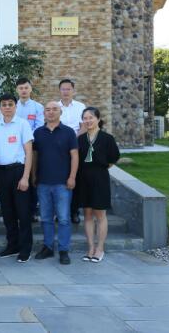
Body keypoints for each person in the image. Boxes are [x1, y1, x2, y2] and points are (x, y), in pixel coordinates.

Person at [32, 102, 79, 265]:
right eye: (48, 110)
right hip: (43, 182)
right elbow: (35, 156)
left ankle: (64, 250)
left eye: (54, 109)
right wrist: (33, 175)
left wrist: (72, 177)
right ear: (44, 113)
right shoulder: (38, 132)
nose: (51, 112)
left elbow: (74, 156)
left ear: (60, 112)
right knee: (46, 218)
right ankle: (48, 247)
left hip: (63, 183)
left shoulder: (69, 132)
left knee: (64, 218)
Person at [0, 93, 34, 263]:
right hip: (1, 173)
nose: (7, 107)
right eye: (4, 104)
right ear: (0, 107)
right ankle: (12, 245)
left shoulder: (23, 124)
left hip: (18, 172)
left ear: (15, 106)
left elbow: (29, 152)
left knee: (23, 213)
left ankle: (25, 249)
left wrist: (25, 177)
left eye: (10, 104)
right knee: (7, 212)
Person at [76, 107, 120, 263]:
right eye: (85, 118)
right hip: (83, 178)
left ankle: (100, 248)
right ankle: (90, 248)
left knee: (100, 215)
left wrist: (100, 169)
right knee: (87, 214)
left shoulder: (107, 138)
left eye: (91, 117)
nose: (88, 121)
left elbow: (113, 158)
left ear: (98, 119)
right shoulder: (80, 139)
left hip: (100, 178)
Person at [15, 78, 45, 222]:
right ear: (17, 90)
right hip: (15, 149)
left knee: (32, 179)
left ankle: (32, 211)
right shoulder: (12, 106)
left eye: (26, 88)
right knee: (17, 178)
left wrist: (26, 140)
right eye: (21, 88)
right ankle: (18, 212)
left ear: (31, 89)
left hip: (32, 148)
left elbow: (39, 127)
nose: (24, 90)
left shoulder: (38, 107)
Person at [58, 79, 86, 224]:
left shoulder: (80, 107)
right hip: (59, 147)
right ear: (59, 91)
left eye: (68, 89)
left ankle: (74, 211)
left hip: (76, 145)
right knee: (60, 179)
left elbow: (84, 126)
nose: (66, 92)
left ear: (73, 91)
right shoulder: (55, 107)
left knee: (75, 179)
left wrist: (73, 140)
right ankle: (59, 212)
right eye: (63, 89)